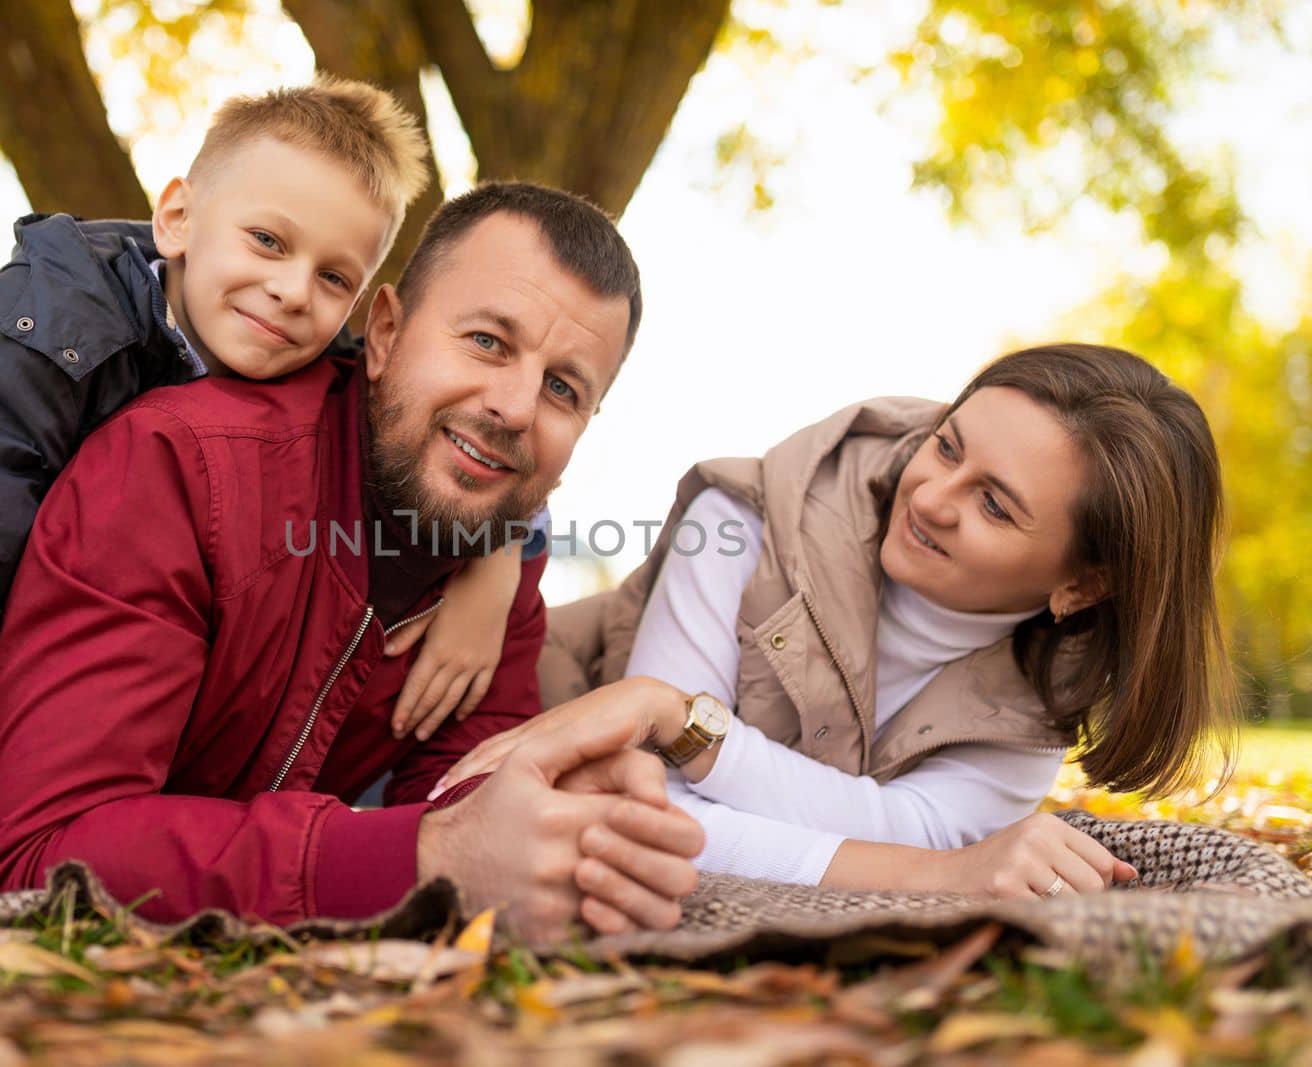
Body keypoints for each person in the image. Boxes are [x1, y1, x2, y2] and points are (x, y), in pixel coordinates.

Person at [0, 182, 705, 957]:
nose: (512, 403)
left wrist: (550, 814)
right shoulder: (180, 462)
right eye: (487, 341)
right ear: (380, 334)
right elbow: (44, 851)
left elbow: (454, 793)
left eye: (564, 389)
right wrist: (434, 850)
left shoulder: (497, 565)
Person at [0, 76, 537, 943]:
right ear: (178, 218)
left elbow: (437, 437)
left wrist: (499, 553)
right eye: (266, 240)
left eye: (334, 276)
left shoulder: (302, 344)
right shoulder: (37, 330)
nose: (294, 289)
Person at [441, 344, 1238, 903]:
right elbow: (650, 817)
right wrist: (931, 869)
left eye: (994, 503)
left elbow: (923, 832)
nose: (930, 497)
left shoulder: (1034, 711)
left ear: (1082, 582)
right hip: (452, 742)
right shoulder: (742, 523)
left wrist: (685, 721)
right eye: (946, 445)